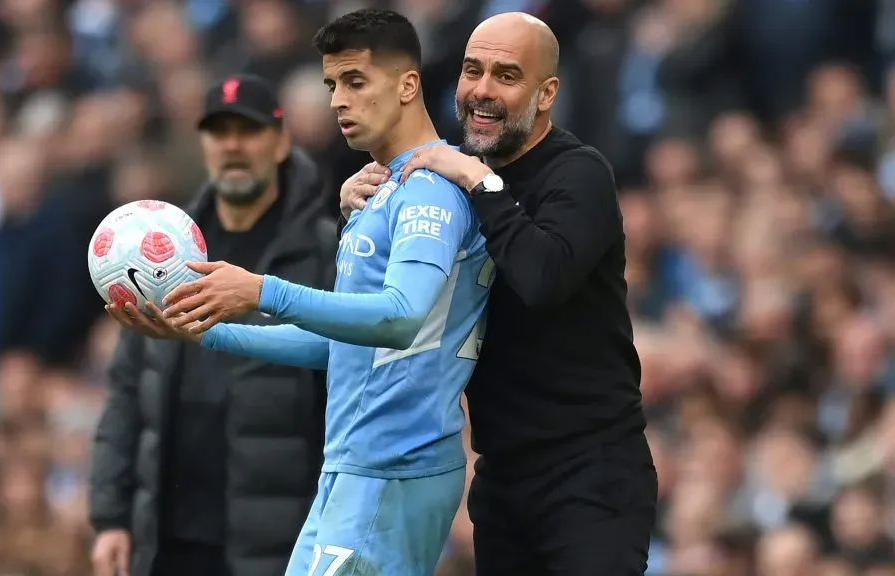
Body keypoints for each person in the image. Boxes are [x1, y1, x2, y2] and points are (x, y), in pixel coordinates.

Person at [106, 9, 492, 576]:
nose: (338, 100)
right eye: (332, 85)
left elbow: (401, 317)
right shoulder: (378, 193)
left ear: (409, 84)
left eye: (356, 82)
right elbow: (341, 348)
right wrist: (206, 331)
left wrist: (262, 289)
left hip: (394, 468)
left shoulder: (431, 191)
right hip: (354, 469)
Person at [340, 11, 658, 576]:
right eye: (472, 71)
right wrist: (362, 215)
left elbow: (541, 279)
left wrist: (479, 181)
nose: (482, 91)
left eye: (506, 76)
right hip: (502, 479)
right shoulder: (454, 183)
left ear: (546, 94)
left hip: (591, 474)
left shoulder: (579, 173)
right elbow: (404, 304)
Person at [88, 74, 337, 576]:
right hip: (168, 535)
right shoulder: (155, 251)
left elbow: (346, 385)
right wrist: (111, 517)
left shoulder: (326, 252)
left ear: (281, 140)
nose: (232, 146)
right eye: (218, 132)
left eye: (248, 130)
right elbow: (127, 391)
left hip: (279, 537)